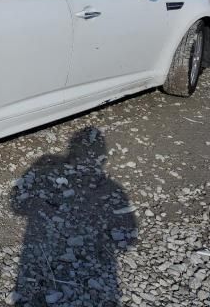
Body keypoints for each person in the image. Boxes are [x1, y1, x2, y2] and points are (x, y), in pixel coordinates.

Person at [13, 127, 137, 305]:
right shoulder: (113, 188)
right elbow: (128, 241)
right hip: (95, 269)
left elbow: (17, 206)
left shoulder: (109, 187)